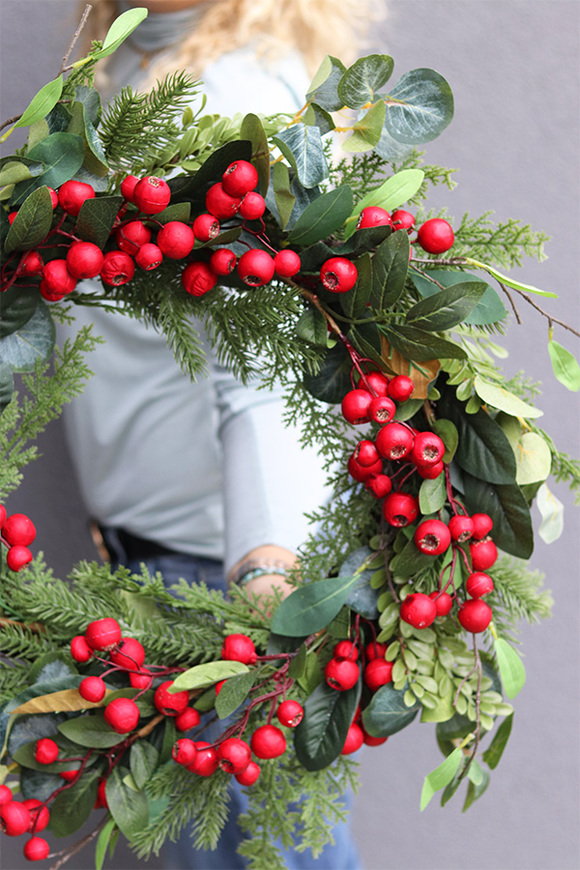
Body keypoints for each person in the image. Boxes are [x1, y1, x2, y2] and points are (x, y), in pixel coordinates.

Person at [59, 1, 379, 866]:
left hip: (224, 596)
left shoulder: (227, 94)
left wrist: (265, 583)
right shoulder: (133, 68)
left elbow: (270, 368)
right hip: (161, 574)